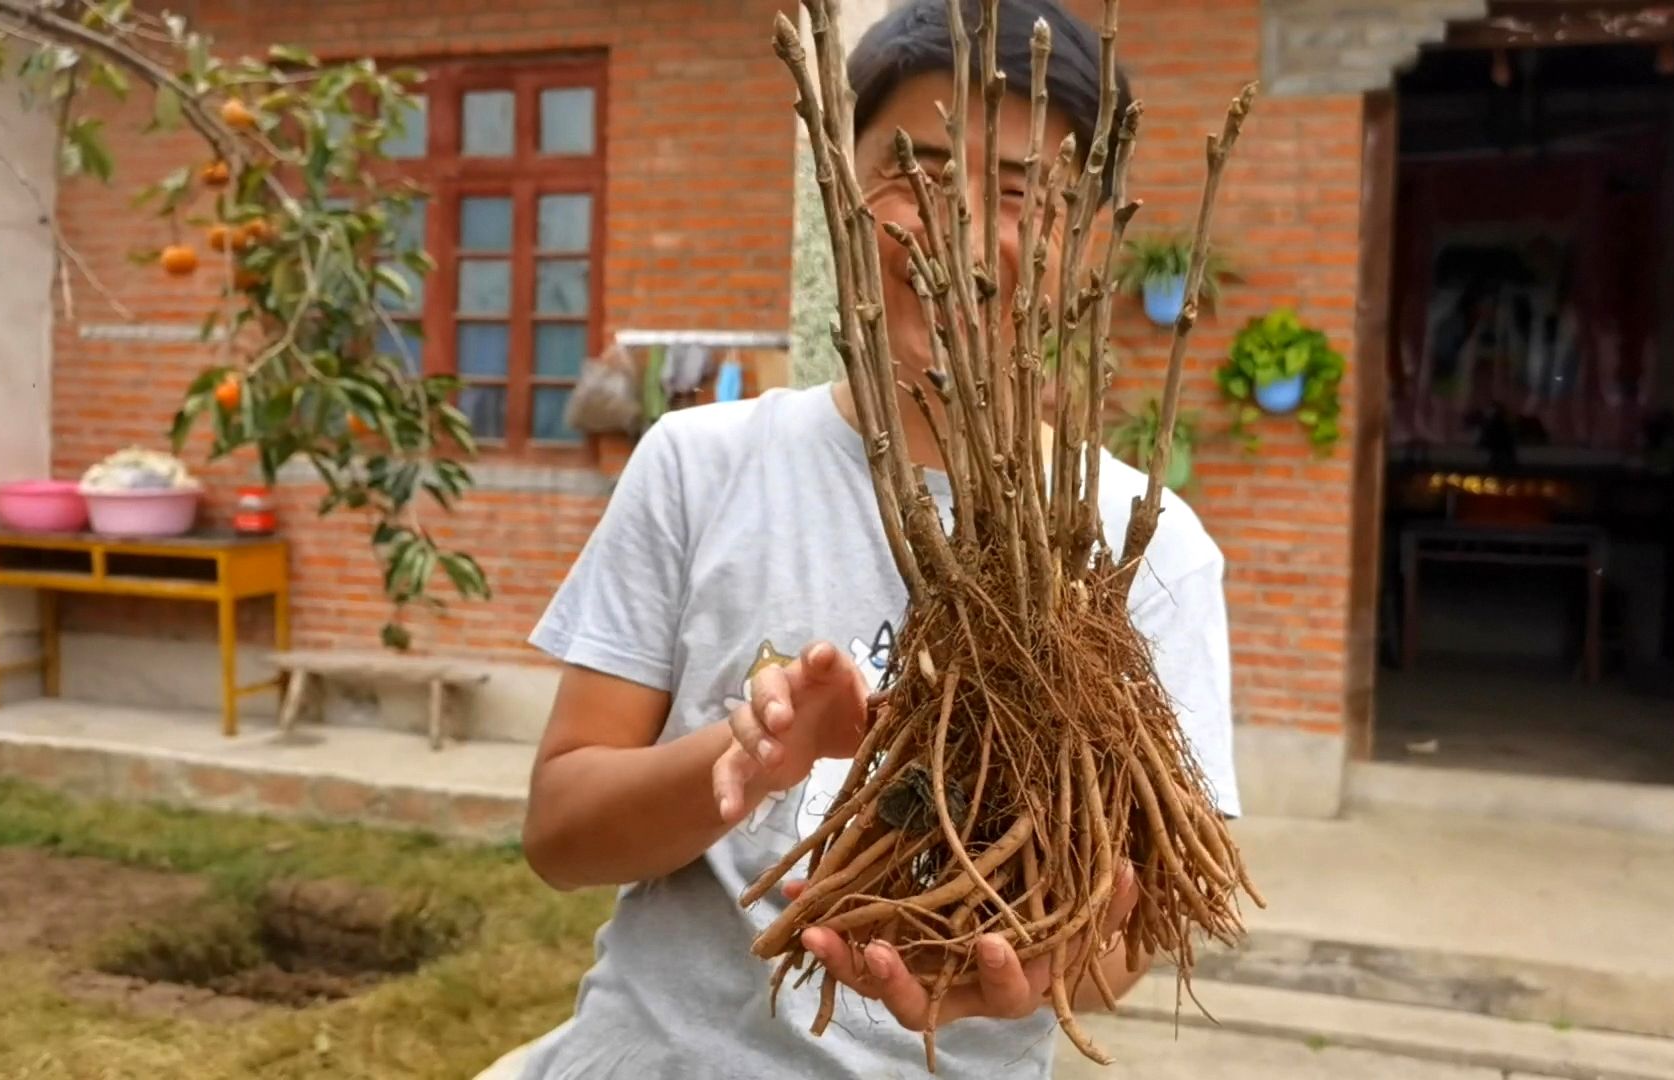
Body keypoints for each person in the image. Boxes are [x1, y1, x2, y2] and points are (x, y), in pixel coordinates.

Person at [502, 2, 1239, 1076]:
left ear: (1091, 237)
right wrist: (751, 761)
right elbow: (559, 834)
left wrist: (1050, 968)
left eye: (1026, 191)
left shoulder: (1154, 549)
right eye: (916, 170)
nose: (960, 225)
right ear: (843, 188)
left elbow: (1140, 922)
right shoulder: (699, 466)